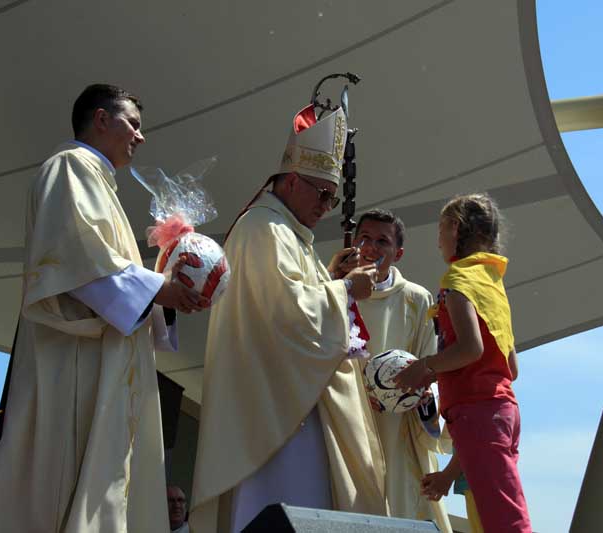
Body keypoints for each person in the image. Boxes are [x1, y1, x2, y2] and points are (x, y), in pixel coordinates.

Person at [0, 84, 209, 532]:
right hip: (76, 359)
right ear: (101, 119)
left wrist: (167, 282)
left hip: (106, 357)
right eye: (133, 124)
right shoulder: (70, 167)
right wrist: (160, 289)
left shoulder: (98, 182)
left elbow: (105, 266)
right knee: (69, 477)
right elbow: (79, 257)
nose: (141, 136)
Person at [190, 103, 387, 532]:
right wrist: (346, 290)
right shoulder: (263, 228)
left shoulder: (289, 233)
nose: (327, 206)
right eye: (322, 194)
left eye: (333, 198)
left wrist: (331, 279)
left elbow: (294, 302)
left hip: (293, 406)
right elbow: (288, 316)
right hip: (275, 419)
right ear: (293, 180)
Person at [395, 193, 530, 533]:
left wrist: (426, 366)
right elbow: (511, 368)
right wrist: (447, 476)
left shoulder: (457, 282)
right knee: (493, 513)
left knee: (504, 521)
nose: (438, 240)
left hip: (478, 412)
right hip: (503, 412)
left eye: (440, 229)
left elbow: (470, 349)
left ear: (454, 228)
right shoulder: (492, 284)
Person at [328, 209, 452, 532]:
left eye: (382, 241)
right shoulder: (337, 290)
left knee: (397, 507)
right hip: (345, 416)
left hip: (397, 428)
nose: (371, 247)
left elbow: (430, 364)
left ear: (398, 253)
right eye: (364, 238)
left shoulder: (416, 299)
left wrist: (421, 395)